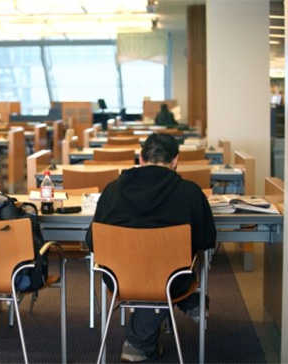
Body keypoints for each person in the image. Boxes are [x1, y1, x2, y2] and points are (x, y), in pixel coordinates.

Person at [86, 133, 216, 362]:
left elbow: (91, 240)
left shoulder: (112, 190)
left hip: (118, 279)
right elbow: (207, 240)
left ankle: (185, 307)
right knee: (164, 272)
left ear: (140, 158)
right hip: (171, 280)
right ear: (175, 160)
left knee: (153, 272)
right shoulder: (191, 192)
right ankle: (190, 302)